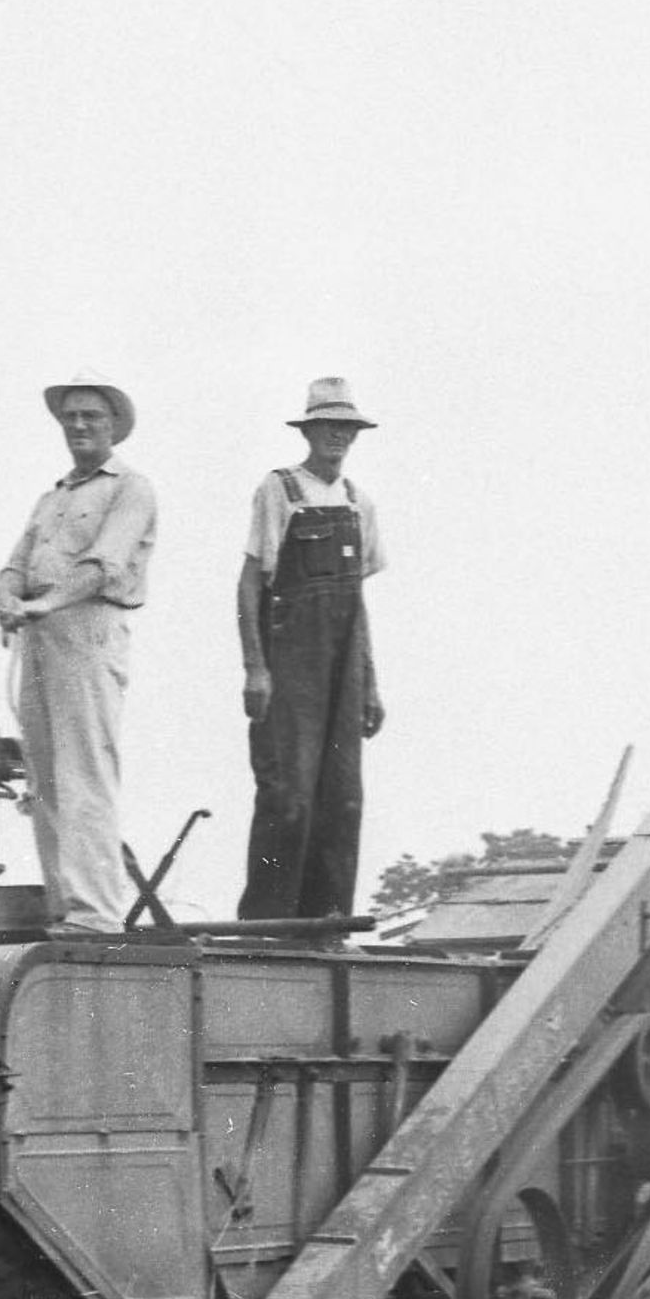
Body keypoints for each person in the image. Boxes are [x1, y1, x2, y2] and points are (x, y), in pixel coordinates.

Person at [0, 375, 158, 932]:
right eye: (72, 418)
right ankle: (63, 906)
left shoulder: (131, 488)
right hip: (39, 637)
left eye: (92, 417)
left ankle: (97, 914)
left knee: (85, 770)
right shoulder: (53, 495)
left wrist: (47, 604)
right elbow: (16, 562)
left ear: (113, 426)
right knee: (42, 776)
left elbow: (105, 565)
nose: (80, 426)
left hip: (88, 632)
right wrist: (8, 597)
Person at [235, 379, 390, 921]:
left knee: (343, 799)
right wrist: (256, 668)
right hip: (290, 663)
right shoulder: (279, 490)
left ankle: (327, 924)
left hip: (344, 666)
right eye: (328, 427)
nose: (337, 438)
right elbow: (251, 582)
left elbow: (357, 601)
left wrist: (369, 683)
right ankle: (269, 926)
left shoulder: (358, 502)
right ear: (310, 430)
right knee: (289, 796)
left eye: (346, 429)